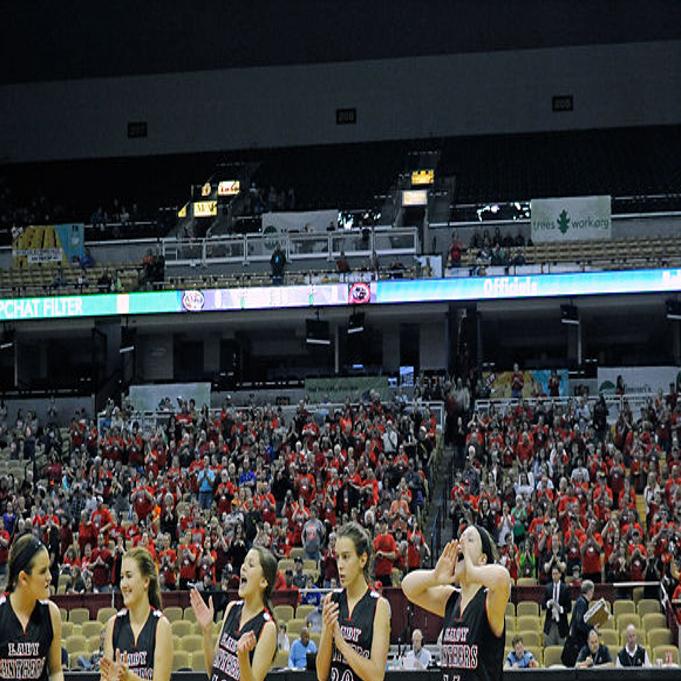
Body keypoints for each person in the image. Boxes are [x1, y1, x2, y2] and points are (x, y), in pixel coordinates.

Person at [402, 525, 511, 681]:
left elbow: (503, 578)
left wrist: (472, 570)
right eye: (461, 538)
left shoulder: (489, 600)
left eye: (470, 539)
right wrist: (435, 577)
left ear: (483, 559)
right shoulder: (451, 599)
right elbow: (408, 587)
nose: (462, 543)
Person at [316, 522, 390, 681]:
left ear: (362, 560)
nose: (340, 565)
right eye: (337, 557)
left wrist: (342, 644)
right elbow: (321, 675)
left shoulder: (379, 606)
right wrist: (328, 632)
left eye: (346, 557)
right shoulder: (332, 600)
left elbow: (376, 676)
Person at [191, 545, 277, 681]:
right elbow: (212, 672)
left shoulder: (268, 627)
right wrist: (207, 631)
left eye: (251, 564)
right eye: (244, 562)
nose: (243, 567)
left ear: (263, 581)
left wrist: (243, 658)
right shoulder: (231, 608)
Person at [100, 547, 172, 681]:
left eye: (129, 576)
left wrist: (129, 678)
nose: (123, 584)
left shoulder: (161, 626)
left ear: (146, 581)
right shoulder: (113, 624)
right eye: (121, 577)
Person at [0, 535, 64, 681]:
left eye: (49, 569)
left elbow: (55, 671)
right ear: (23, 578)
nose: (49, 577)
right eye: (42, 571)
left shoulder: (52, 613)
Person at [561, 579, 594, 666]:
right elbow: (580, 624)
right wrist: (591, 629)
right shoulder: (581, 603)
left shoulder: (581, 602)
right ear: (589, 591)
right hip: (577, 644)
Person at [542, 565, 571, 646]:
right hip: (550, 623)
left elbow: (569, 608)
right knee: (549, 649)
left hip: (561, 624)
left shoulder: (565, 588)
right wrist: (548, 603)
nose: (554, 576)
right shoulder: (548, 588)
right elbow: (543, 605)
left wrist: (560, 608)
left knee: (562, 650)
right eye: (553, 574)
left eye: (556, 574)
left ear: (560, 574)